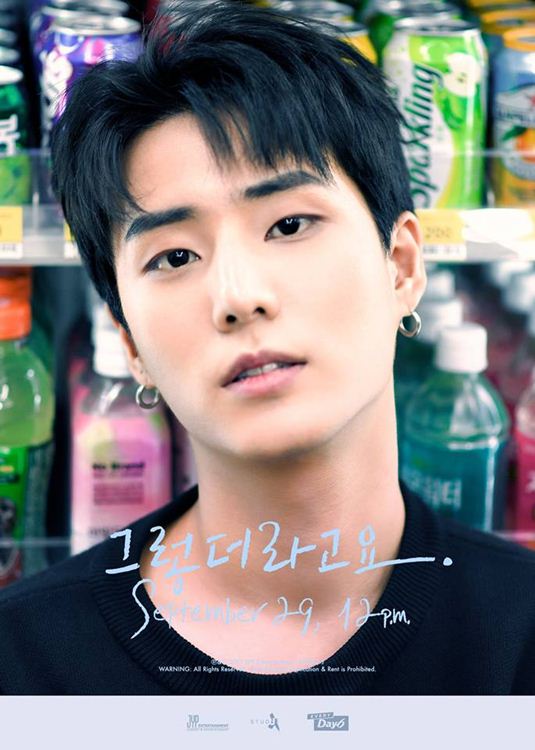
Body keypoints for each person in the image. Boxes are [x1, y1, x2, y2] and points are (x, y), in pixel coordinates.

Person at [0, 0, 534, 696]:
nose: (238, 295)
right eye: (174, 257)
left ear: (402, 267)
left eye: (288, 225)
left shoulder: (518, 638)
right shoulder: (26, 665)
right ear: (129, 344)